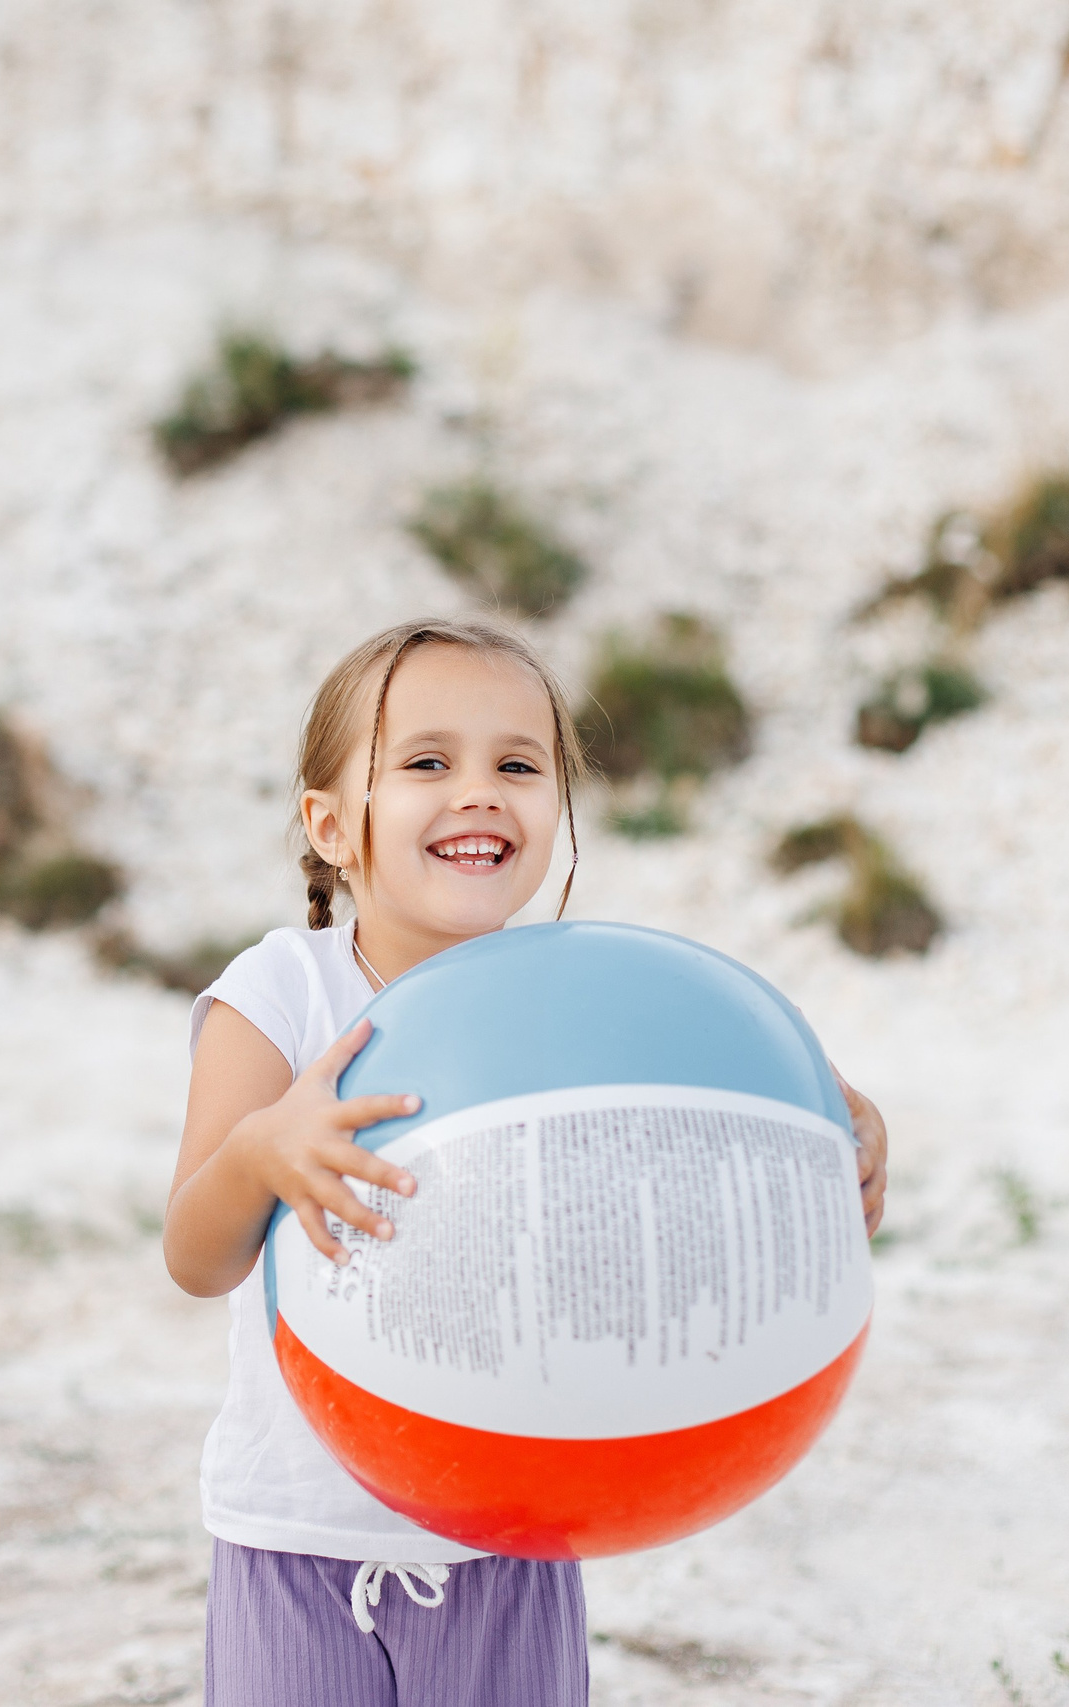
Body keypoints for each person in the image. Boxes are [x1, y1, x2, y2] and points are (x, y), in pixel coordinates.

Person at [164, 616, 891, 1707]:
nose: (478, 791)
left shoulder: (578, 1000)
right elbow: (192, 1253)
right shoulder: (283, 994)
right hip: (296, 1535)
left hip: (516, 1526)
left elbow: (712, 1110)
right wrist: (263, 1151)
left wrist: (841, 1127)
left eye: (518, 764)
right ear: (330, 824)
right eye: (424, 763)